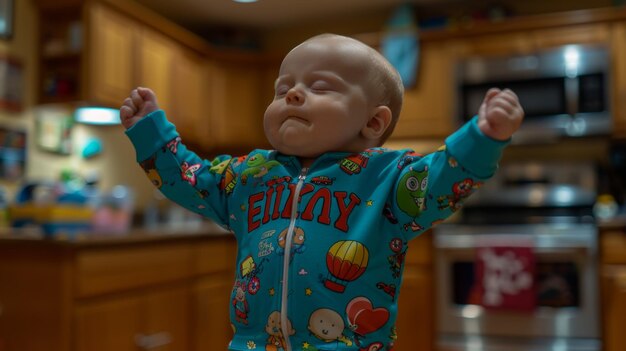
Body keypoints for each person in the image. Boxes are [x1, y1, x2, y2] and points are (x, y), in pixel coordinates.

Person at [120, 33, 524, 351]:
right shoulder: (250, 175)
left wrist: (482, 138)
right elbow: (192, 179)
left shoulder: (389, 178)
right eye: (282, 90)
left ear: (373, 122)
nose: (293, 94)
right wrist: (151, 134)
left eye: (320, 87)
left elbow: (441, 178)